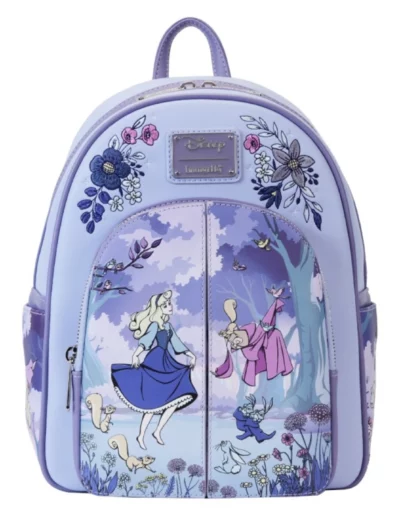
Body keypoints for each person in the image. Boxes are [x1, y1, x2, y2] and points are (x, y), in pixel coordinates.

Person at [111, 290, 197, 450]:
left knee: (174, 400)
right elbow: (146, 341)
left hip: (167, 362)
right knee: (151, 403)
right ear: (158, 309)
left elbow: (177, 343)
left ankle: (157, 431)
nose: (170, 306)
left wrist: (191, 355)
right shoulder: (155, 325)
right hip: (155, 361)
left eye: (169, 304)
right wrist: (136, 355)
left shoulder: (168, 326)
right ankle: (141, 435)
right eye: (165, 305)